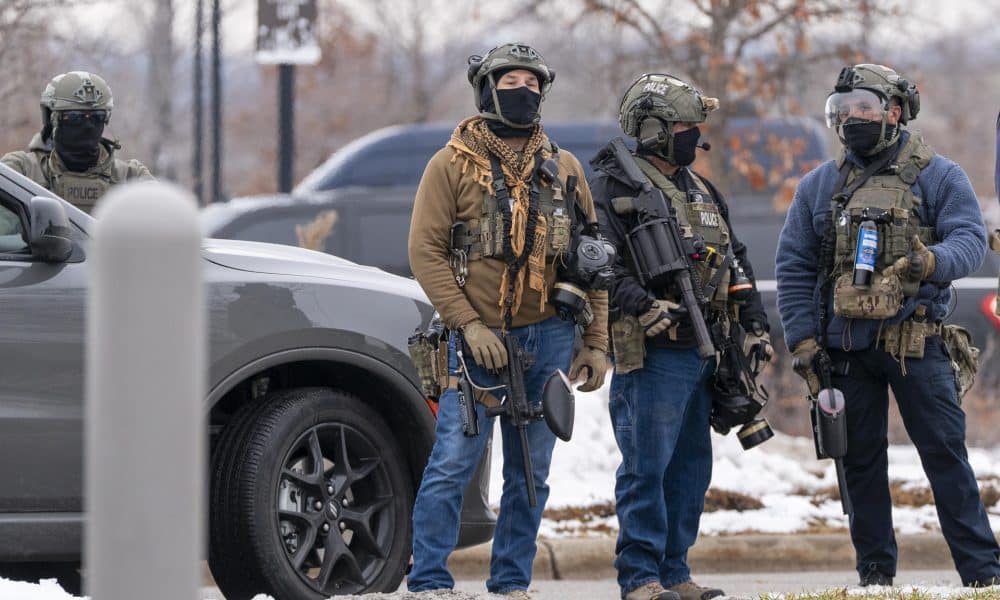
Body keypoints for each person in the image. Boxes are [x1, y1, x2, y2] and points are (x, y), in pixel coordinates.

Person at [776, 63, 1000, 588]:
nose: (851, 118)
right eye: (842, 110)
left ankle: (984, 575)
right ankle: (875, 575)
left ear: (895, 112)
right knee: (859, 463)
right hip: (845, 348)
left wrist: (931, 262)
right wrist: (803, 340)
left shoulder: (939, 175)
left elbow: (970, 240)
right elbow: (794, 266)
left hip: (916, 343)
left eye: (864, 108)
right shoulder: (819, 185)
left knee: (945, 456)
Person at [406, 42, 610, 599]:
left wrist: (595, 343)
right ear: (486, 90)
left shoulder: (564, 169)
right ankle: (429, 582)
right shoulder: (451, 164)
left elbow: (594, 261)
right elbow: (425, 252)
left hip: (550, 336)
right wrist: (468, 325)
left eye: (532, 83)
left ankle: (511, 584)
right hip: (476, 342)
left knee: (531, 471)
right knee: (453, 462)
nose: (524, 92)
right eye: (511, 82)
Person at [591, 73, 771, 600]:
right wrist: (643, 305)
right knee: (646, 467)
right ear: (652, 129)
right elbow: (599, 264)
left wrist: (754, 322)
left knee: (692, 469)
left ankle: (675, 572)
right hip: (653, 351)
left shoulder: (703, 190)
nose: (695, 135)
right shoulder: (613, 189)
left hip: (708, 347)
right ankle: (640, 578)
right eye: (684, 127)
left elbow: (736, 259)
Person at [1, 71, 152, 213]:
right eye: (75, 117)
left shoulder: (131, 177)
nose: (88, 126)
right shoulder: (21, 170)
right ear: (52, 119)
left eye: (97, 116)